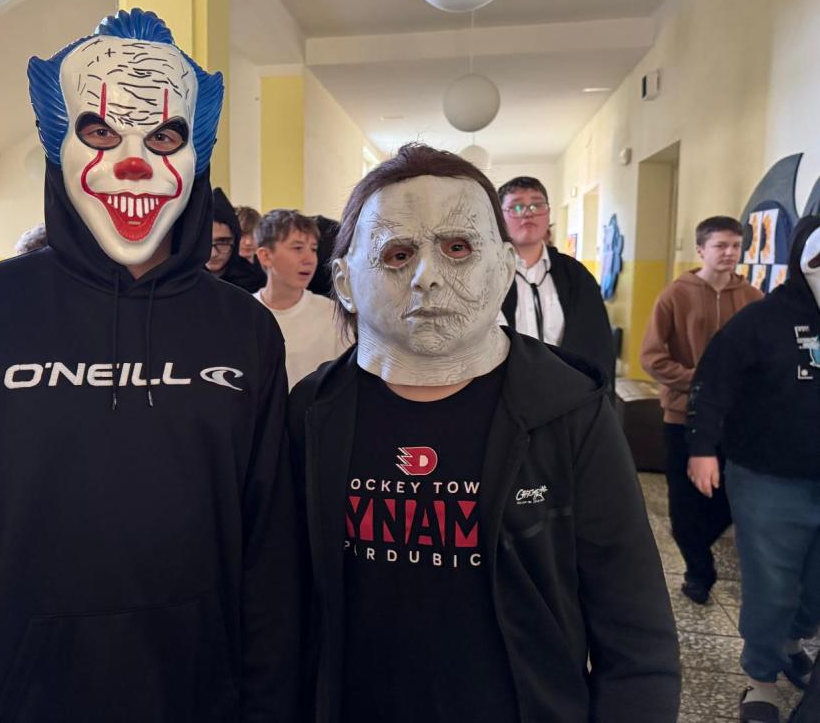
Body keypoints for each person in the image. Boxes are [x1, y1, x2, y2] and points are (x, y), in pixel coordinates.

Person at [0, 9, 302, 722]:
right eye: (100, 132)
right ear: (55, 141)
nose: (133, 162)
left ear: (198, 153)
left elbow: (269, 551)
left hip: (196, 696)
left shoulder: (243, 330)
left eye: (163, 137)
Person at [289, 144, 680, 722]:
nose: (427, 277)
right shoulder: (310, 413)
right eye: (397, 253)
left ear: (501, 267)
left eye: (457, 248)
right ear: (345, 282)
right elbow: (282, 596)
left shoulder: (569, 411)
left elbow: (633, 620)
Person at [688, 215, 820, 723]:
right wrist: (702, 448)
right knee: (773, 585)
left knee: (814, 585)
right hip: (769, 478)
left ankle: (790, 643)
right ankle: (761, 678)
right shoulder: (760, 321)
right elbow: (712, 384)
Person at [641, 216, 763, 605]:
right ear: (700, 250)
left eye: (735, 246)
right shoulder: (675, 295)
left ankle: (700, 549)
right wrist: (698, 381)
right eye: (720, 246)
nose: (729, 253)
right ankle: (698, 571)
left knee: (729, 497)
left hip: (736, 419)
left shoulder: (753, 298)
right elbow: (652, 356)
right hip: (683, 416)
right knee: (684, 502)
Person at [497, 176, 615, 390]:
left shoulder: (576, 276)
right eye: (516, 207)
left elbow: (598, 344)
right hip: (506, 393)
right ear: (499, 217)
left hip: (568, 392)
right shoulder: (488, 275)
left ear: (548, 213)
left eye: (537, 204)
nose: (528, 212)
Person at [252, 209, 348, 388]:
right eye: (297, 248)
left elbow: (346, 380)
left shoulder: (332, 314)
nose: (309, 259)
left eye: (313, 249)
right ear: (265, 256)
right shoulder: (245, 313)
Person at [207, 187, 266, 292]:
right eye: (243, 235)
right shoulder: (183, 278)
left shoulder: (258, 276)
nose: (213, 254)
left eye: (223, 242)